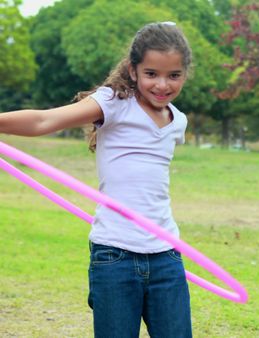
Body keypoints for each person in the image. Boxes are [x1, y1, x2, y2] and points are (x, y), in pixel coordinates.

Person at [0, 22, 193, 337]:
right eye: (151, 74)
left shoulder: (177, 121)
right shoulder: (113, 103)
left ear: (185, 73)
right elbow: (45, 119)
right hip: (114, 256)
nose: (162, 85)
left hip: (166, 255)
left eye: (174, 75)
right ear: (133, 71)